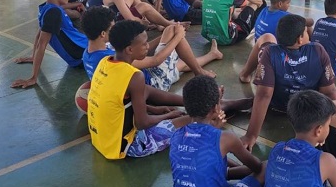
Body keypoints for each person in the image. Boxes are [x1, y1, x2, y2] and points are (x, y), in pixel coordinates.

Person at [87, 21, 250, 160]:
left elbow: (120, 102)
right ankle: (214, 109)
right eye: (144, 44)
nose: (147, 46)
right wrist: (166, 115)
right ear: (129, 50)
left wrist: (154, 109)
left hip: (102, 139)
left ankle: (209, 104)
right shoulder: (134, 76)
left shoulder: (105, 62)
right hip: (128, 146)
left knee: (147, 90)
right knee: (190, 118)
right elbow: (142, 123)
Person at [240, 14, 336, 151]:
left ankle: (244, 74)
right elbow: (329, 91)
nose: (308, 33)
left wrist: (251, 135)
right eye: (306, 32)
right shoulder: (318, 50)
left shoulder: (270, 52)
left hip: (278, 107)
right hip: (307, 108)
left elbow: (264, 95)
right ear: (300, 39)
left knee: (266, 38)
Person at [170, 76, 266, 187]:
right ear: (216, 108)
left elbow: (202, 155)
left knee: (208, 167)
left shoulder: (176, 135)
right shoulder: (226, 138)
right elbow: (256, 167)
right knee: (266, 167)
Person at [80, 6, 220, 89]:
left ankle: (213, 54)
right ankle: (199, 72)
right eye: (112, 28)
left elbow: (141, 49)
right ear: (103, 33)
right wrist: (177, 37)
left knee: (179, 63)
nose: (115, 29)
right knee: (174, 33)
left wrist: (163, 39)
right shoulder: (111, 60)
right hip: (154, 83)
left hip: (147, 75)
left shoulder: (88, 53)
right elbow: (155, 61)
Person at [11, 0, 88, 89]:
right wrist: (33, 78)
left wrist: (33, 57)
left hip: (83, 47)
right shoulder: (54, 14)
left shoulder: (46, 8)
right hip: (83, 54)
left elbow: (38, 36)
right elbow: (42, 44)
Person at [238, 0, 313, 83]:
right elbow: (310, 22)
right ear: (280, 4)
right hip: (276, 53)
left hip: (259, 47)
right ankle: (312, 47)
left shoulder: (264, 10)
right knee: (304, 27)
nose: (289, 5)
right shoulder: (285, 16)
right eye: (288, 3)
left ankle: (246, 73)